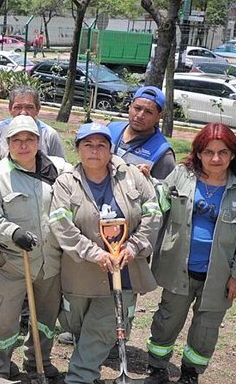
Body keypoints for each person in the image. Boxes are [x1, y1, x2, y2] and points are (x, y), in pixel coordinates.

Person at [49, 122, 161, 384]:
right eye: (88, 144)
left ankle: (79, 378)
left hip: (123, 271)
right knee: (77, 328)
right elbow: (60, 224)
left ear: (111, 149)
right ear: (77, 149)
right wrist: (94, 253)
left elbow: (153, 214)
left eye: (101, 145)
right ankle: (88, 365)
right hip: (81, 273)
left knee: (101, 328)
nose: (95, 151)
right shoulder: (66, 183)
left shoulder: (132, 176)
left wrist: (133, 247)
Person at [145, 123, 236, 384]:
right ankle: (157, 369)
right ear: (198, 153)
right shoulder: (181, 176)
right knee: (167, 320)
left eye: (223, 152)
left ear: (233, 155)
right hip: (177, 270)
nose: (215, 159)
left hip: (218, 277)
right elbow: (156, 206)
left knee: (206, 329)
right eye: (208, 152)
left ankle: (190, 373)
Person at [0, 115, 72, 379]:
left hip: (49, 263)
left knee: (45, 320)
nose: (23, 145)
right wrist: (13, 232)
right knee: (3, 319)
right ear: (8, 143)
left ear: (39, 141)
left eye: (29, 139)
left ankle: (38, 363)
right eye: (17, 140)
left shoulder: (57, 169)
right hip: (14, 261)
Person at [108, 86, 176, 180]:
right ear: (130, 107)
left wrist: (147, 181)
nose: (140, 116)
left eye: (148, 112)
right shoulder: (110, 130)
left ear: (158, 116)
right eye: (137, 108)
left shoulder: (163, 154)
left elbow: (164, 192)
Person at [0, 86, 65, 160]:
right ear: (10, 109)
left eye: (29, 107)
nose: (23, 113)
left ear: (37, 109)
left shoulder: (49, 135)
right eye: (18, 107)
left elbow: (60, 165)